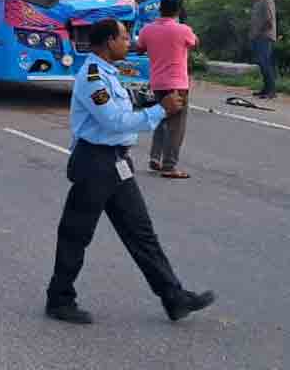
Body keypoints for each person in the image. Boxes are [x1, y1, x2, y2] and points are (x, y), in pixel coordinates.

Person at [45, 18, 212, 325]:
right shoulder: (92, 77)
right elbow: (113, 121)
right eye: (124, 37)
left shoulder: (110, 73)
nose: (130, 41)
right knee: (75, 233)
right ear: (109, 42)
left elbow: (125, 111)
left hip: (116, 164)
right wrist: (161, 110)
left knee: (141, 234)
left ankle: (173, 297)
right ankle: (59, 298)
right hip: (95, 163)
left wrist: (153, 102)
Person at [137, 0, 198, 179]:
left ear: (160, 9)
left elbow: (140, 48)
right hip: (178, 84)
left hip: (158, 83)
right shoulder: (184, 30)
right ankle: (169, 166)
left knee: (161, 119)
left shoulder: (148, 30)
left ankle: (155, 157)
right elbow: (195, 43)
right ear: (178, 11)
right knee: (176, 125)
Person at [249, 0, 277, 99]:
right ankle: (266, 88)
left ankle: (271, 90)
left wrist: (258, 32)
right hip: (257, 36)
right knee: (261, 63)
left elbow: (269, 20)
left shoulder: (267, 0)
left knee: (265, 62)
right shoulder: (257, 1)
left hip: (264, 36)